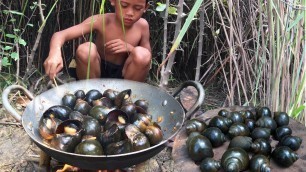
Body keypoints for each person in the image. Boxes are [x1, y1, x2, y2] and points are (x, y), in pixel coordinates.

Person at [44, 0, 151, 82]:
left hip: (125, 75)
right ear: (113, 1)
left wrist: (131, 49)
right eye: (124, 5)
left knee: (142, 54)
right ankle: (90, 96)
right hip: (95, 72)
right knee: (85, 49)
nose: (130, 13)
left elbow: (146, 57)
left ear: (146, 7)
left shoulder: (142, 26)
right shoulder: (101, 20)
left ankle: (127, 99)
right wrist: (54, 53)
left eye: (137, 8)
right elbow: (60, 35)